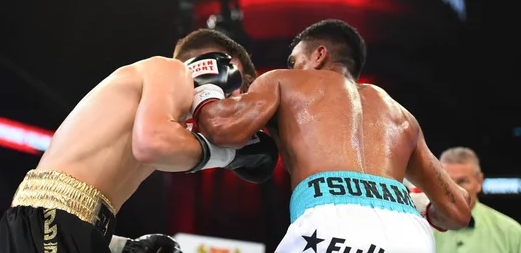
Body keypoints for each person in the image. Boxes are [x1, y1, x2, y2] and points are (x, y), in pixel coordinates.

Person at [194, 19, 472, 253]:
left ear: (319, 55)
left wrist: (205, 87)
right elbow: (458, 210)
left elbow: (222, 128)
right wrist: (421, 206)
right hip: (411, 237)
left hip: (329, 228)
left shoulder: (283, 81)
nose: (292, 68)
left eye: (295, 61)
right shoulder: (401, 115)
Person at [0, 28, 278, 253]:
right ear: (211, 67)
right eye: (231, 92)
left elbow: (78, 205)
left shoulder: (160, 118)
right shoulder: (169, 70)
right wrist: (231, 156)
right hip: (51, 220)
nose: (229, 111)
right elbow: (153, 146)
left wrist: (119, 246)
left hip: (56, 224)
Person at [431, 147, 521, 252]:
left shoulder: (511, 232)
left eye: (463, 181)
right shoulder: (422, 228)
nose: (454, 189)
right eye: (447, 181)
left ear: (479, 181)